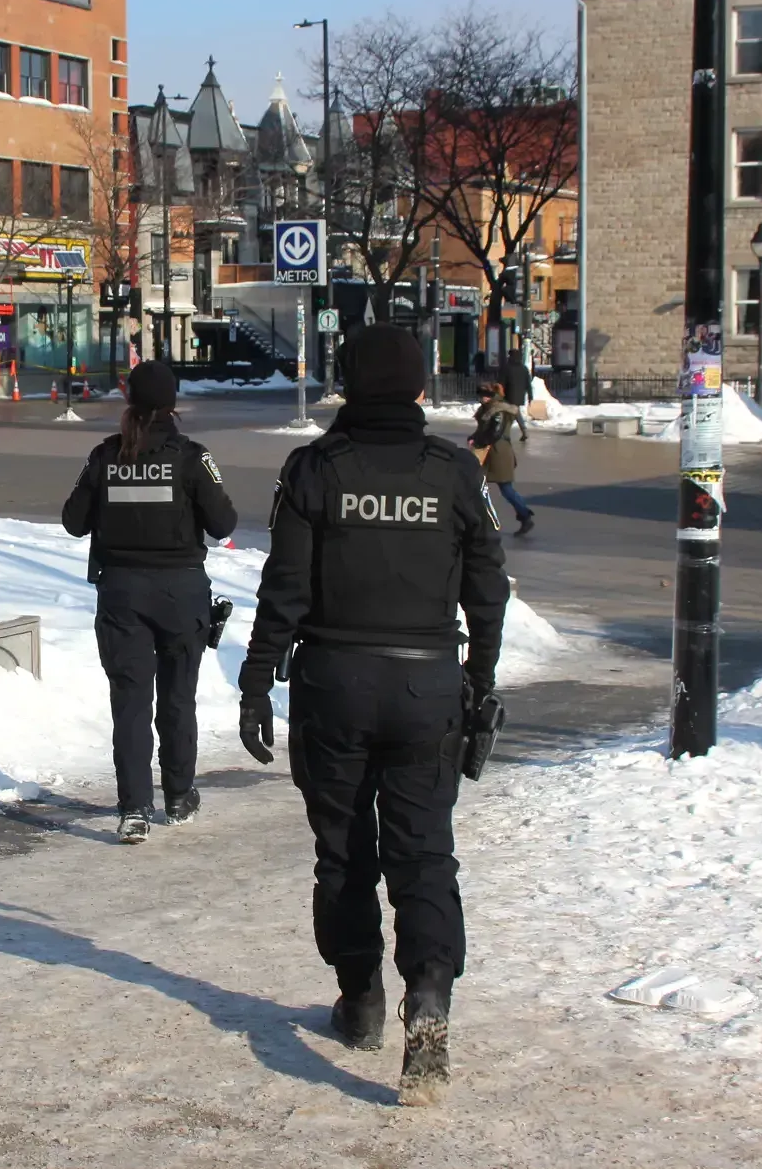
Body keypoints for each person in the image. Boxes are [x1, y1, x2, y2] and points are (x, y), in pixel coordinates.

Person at [237, 324, 511, 1107]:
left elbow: (284, 585)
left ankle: (359, 999)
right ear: (420, 388)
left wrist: (258, 680)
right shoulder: (457, 474)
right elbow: (488, 589)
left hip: (333, 682)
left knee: (345, 853)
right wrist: (478, 680)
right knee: (425, 856)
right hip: (427, 683)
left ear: (350, 386)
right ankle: (427, 995)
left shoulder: (315, 469)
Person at [62, 361, 237, 844]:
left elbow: (73, 521)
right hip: (181, 593)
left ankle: (134, 807)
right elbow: (223, 524)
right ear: (173, 404)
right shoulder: (190, 457)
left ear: (130, 401)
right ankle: (179, 796)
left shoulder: (106, 456)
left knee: (131, 703)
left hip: (121, 594)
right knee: (179, 697)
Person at [469, 383, 536, 537]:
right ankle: (482, 522)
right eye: (480, 395)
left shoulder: (498, 410)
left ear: (491, 396)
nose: (481, 398)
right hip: (489, 451)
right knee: (477, 485)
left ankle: (525, 516)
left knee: (506, 489)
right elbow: (484, 430)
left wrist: (478, 440)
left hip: (498, 453)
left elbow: (495, 432)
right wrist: (474, 437)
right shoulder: (488, 409)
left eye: (484, 395)